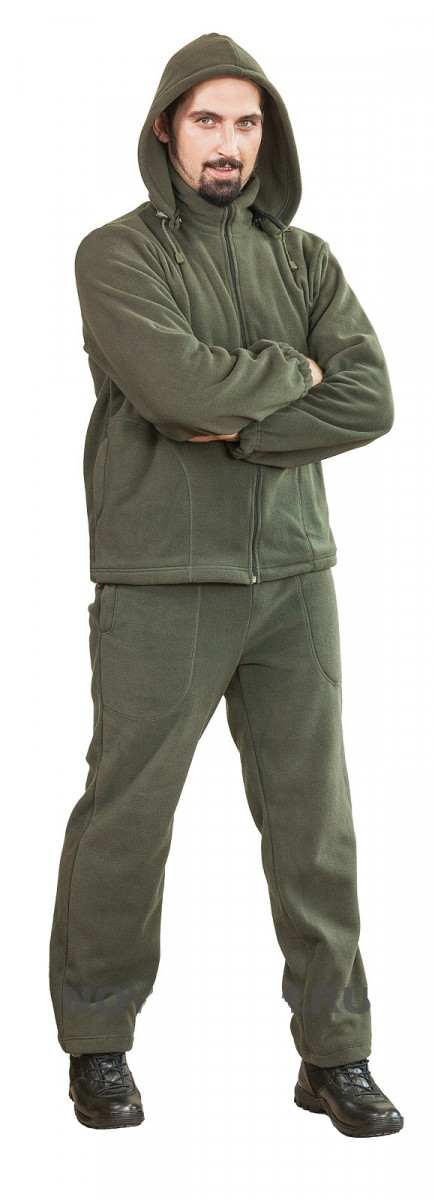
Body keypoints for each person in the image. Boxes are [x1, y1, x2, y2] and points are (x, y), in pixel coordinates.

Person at [49, 31, 404, 1136]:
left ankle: (334, 1055)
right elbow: (171, 387)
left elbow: (371, 398)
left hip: (296, 575)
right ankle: (98, 1045)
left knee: (316, 825)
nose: (228, 143)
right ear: (167, 127)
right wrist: (288, 377)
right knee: (128, 815)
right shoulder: (116, 254)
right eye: (208, 119)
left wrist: (239, 431)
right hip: (162, 576)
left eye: (247, 123)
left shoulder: (307, 261)